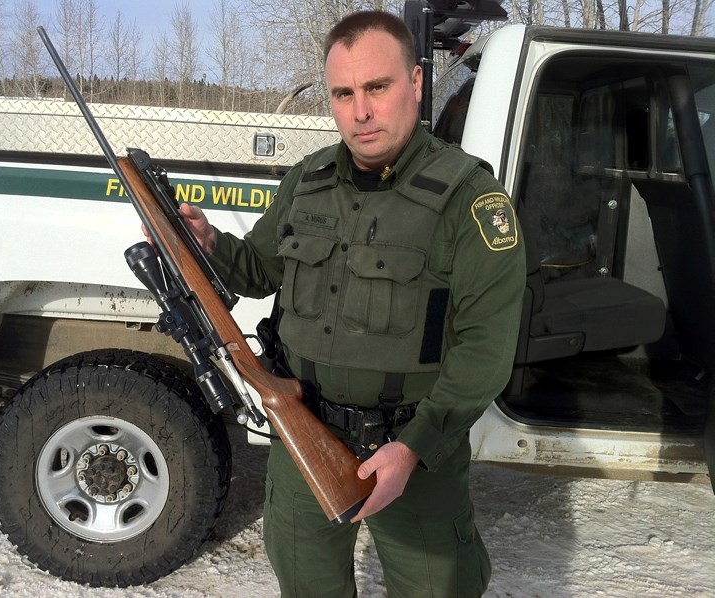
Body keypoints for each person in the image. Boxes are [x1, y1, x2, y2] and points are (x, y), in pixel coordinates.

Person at [176, 10, 525, 597]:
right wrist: (209, 244)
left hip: (413, 448)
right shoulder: (307, 181)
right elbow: (260, 270)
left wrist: (414, 449)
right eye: (343, 93)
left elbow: (485, 350)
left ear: (415, 83)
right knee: (306, 581)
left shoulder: (471, 200)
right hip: (303, 432)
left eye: (377, 87)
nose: (359, 111)